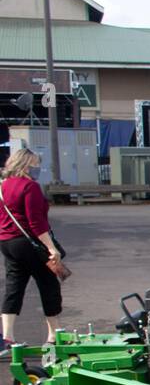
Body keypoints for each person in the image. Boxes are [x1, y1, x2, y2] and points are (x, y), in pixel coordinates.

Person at [0, 148, 65, 356]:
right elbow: (36, 223)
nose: (38, 168)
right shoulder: (30, 187)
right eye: (35, 164)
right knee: (48, 285)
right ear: (25, 165)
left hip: (7, 242)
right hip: (30, 243)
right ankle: (53, 336)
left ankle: (7, 337)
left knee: (14, 287)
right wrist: (51, 248)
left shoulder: (2, 187)